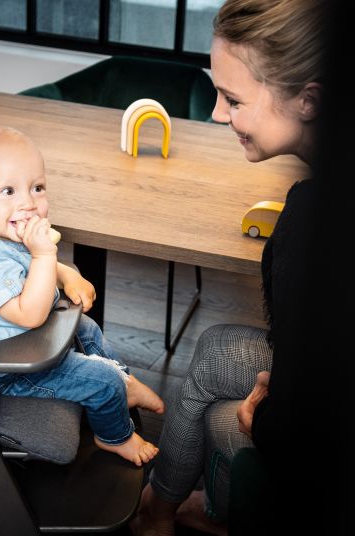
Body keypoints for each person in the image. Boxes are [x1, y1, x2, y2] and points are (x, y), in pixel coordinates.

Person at [130, 0, 335, 534]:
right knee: (219, 347)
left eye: (233, 99)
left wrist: (266, 412)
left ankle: (222, 513)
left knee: (223, 415)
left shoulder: (318, 218)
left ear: (308, 99)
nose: (218, 113)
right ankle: (163, 507)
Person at [0, 125, 165, 466]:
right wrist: (46, 256)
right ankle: (114, 436)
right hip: (8, 369)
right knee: (101, 383)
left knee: (87, 328)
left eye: (37, 187)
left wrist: (66, 273)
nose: (28, 203)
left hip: (25, 341)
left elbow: (27, 272)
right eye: (8, 190)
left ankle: (126, 382)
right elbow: (30, 313)